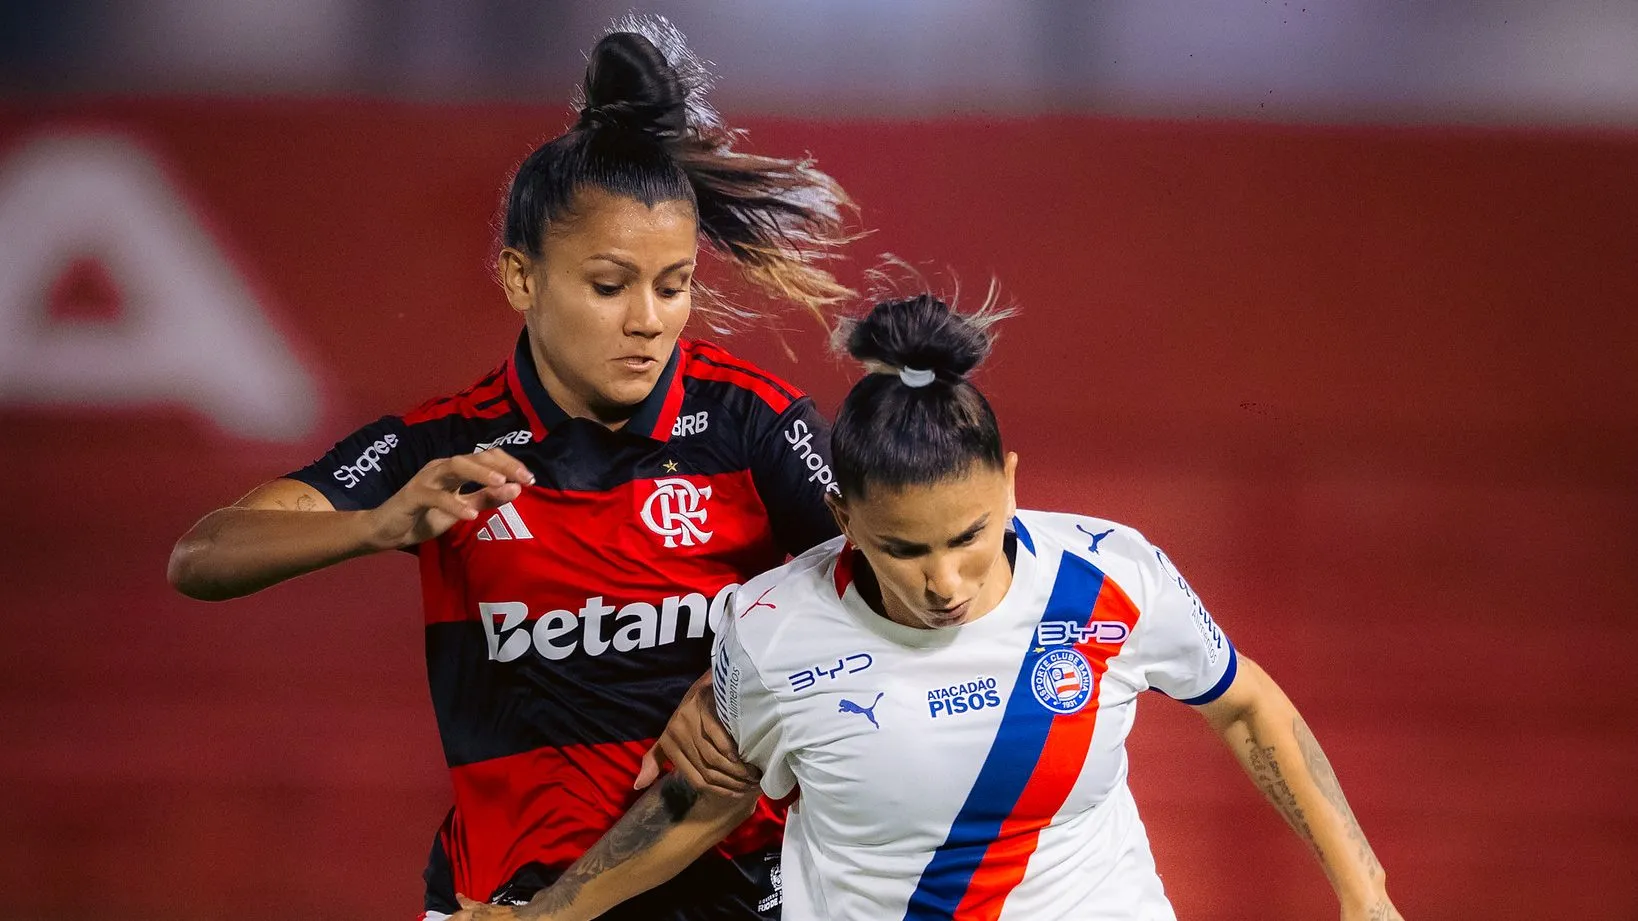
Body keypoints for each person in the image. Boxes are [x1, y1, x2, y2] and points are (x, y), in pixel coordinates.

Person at [166, 16, 856, 920]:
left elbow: (892, 576)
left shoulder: (753, 421)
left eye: (674, 283)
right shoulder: (443, 446)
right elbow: (202, 557)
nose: (649, 320)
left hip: (738, 889)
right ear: (522, 279)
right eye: (610, 286)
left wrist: (735, 677)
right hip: (500, 900)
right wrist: (379, 524)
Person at [480, 293, 1404, 921]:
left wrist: (1365, 893)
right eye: (905, 549)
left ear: (1009, 484)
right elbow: (701, 801)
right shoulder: (770, 628)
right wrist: (549, 916)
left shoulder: (1110, 576)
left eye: (970, 535)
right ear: (843, 517)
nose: (946, 579)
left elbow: (1244, 702)